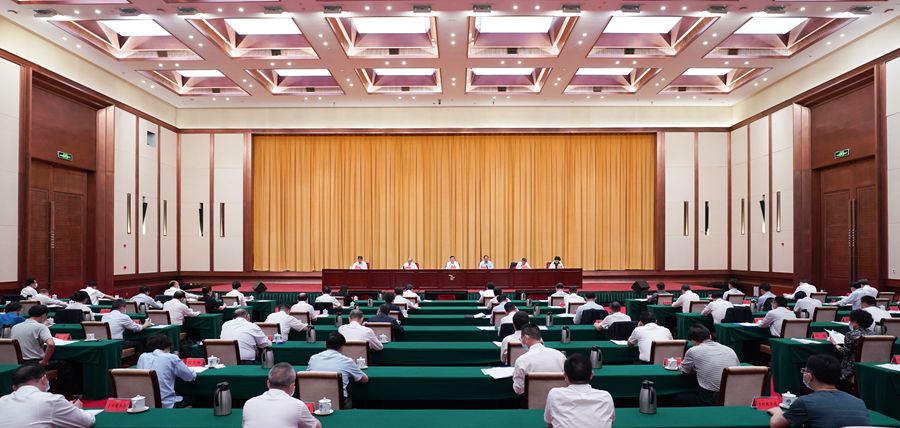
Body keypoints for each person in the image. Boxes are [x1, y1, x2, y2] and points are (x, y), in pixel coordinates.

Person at [767, 354, 870, 428]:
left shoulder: (805, 402)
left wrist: (777, 412)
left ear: (809, 376)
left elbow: (776, 425)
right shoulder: (858, 402)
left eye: (804, 371)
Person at [0, 364, 95, 428]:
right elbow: (87, 421)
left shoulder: (2, 400)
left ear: (14, 387)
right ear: (44, 379)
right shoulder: (51, 400)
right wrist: (76, 409)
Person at [544, 353, 615, 428]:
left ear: (565, 376)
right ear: (591, 375)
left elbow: (550, 423)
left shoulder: (554, 394)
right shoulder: (606, 397)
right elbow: (609, 422)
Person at [243, 362, 321, 428]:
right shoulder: (297, 405)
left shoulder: (249, 403)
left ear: (268, 383)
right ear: (292, 386)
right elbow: (317, 427)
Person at [678, 324, 740, 406]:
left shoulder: (693, 350)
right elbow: (737, 368)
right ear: (710, 336)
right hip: (734, 395)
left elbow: (684, 370)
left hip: (710, 398)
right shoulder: (729, 349)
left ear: (692, 341)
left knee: (677, 398)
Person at [307, 332, 369, 408]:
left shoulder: (313, 358)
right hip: (339, 401)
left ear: (325, 344)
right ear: (342, 347)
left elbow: (308, 376)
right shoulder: (347, 361)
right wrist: (354, 366)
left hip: (314, 399)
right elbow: (364, 379)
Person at [136, 334, 197, 408]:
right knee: (198, 398)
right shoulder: (171, 357)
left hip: (144, 403)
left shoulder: (142, 357)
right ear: (167, 347)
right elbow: (190, 377)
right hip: (167, 404)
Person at [512, 324, 566, 394]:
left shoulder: (521, 361)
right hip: (558, 399)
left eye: (521, 339)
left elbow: (518, 390)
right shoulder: (560, 356)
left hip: (533, 400)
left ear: (525, 338)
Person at [830, 309, 874, 383]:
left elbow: (844, 352)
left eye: (851, 320)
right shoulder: (873, 334)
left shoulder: (850, 334)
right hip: (869, 366)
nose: (849, 322)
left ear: (855, 321)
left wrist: (835, 344)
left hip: (852, 369)